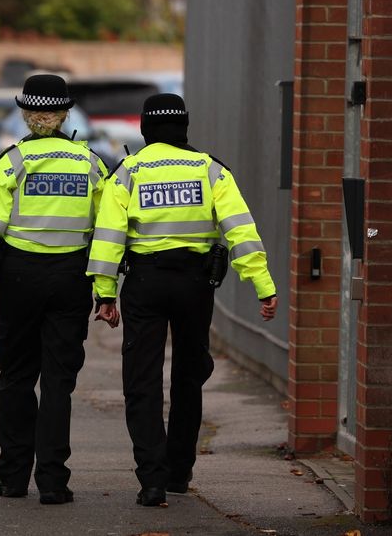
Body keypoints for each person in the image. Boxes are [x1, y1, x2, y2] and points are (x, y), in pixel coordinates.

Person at [86, 92, 278, 507]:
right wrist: (263, 285)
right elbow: (241, 230)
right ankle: (179, 472)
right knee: (190, 376)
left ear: (145, 128)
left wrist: (104, 292)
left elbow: (107, 239)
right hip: (195, 284)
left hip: (145, 282)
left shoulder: (129, 172)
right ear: (184, 126)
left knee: (142, 380)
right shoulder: (211, 170)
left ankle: (152, 481)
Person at [0, 74, 108, 505]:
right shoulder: (91, 164)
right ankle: (54, 482)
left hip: (20, 278)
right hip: (71, 278)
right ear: (64, 115)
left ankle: (14, 476)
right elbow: (107, 234)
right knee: (59, 381)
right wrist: (106, 288)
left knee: (17, 376)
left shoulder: (11, 163)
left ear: (26, 114)